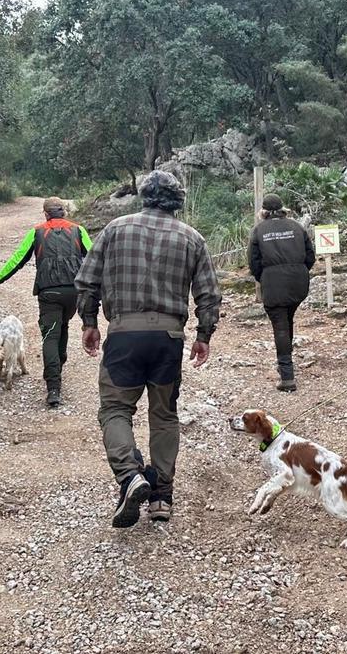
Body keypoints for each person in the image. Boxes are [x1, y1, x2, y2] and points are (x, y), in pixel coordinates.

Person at [76, 170, 222, 528]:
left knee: (114, 410)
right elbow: (208, 294)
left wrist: (90, 322)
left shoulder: (114, 229)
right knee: (164, 415)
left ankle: (130, 477)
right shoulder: (192, 238)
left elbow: (87, 281)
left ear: (144, 195)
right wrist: (204, 334)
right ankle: (161, 498)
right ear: (177, 200)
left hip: (124, 334)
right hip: (168, 340)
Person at [0, 197, 91, 409]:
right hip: (74, 292)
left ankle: (54, 388)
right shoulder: (78, 230)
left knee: (50, 336)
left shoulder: (36, 232)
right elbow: (94, 256)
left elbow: (17, 260)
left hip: (49, 292)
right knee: (62, 327)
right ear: (64, 212)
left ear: (45, 214)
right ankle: (58, 365)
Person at [249, 192, 316, 392]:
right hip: (298, 283)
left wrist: (264, 277)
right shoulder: (297, 227)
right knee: (287, 321)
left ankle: (287, 376)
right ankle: (285, 364)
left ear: (264, 212)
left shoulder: (259, 230)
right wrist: (299, 272)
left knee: (280, 326)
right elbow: (310, 256)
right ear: (282, 209)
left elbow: (254, 263)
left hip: (273, 283)